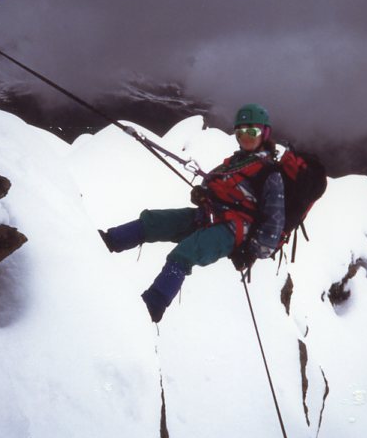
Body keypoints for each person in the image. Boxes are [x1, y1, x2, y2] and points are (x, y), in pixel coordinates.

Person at [99, 103, 286, 322]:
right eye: (240, 132)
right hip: (208, 216)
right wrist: (201, 194)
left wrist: (250, 251)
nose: (245, 137)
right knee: (155, 221)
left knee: (184, 254)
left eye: (251, 132)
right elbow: (212, 185)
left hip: (233, 231)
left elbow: (275, 223)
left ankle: (152, 307)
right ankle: (106, 242)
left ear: (264, 133)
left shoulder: (270, 174)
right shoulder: (236, 162)